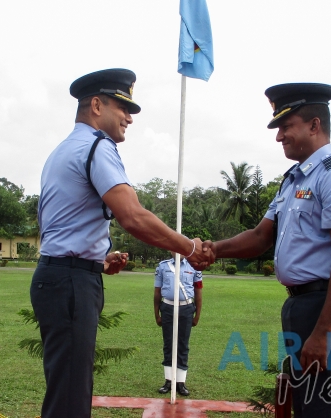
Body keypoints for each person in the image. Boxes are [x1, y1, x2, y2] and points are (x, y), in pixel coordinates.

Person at [30, 68, 213, 418]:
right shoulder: (97, 147)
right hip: (70, 284)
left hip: (57, 277)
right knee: (70, 396)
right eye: (123, 107)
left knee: (67, 387)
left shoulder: (61, 151)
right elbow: (133, 216)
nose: (129, 117)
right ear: (97, 106)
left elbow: (59, 227)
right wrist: (189, 249)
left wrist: (98, 261)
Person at [202, 83, 331, 417]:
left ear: (314, 125)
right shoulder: (295, 179)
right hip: (300, 305)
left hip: (326, 306)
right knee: (307, 405)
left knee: (324, 408)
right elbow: (261, 236)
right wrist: (213, 249)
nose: (279, 136)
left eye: (286, 126)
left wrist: (324, 332)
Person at [154, 252, 203, 396]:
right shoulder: (163, 266)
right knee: (168, 344)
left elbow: (198, 291)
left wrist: (197, 314)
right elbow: (157, 291)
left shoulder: (194, 267)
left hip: (186, 308)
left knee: (183, 344)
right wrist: (157, 314)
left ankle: (181, 382)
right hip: (168, 307)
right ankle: (168, 380)